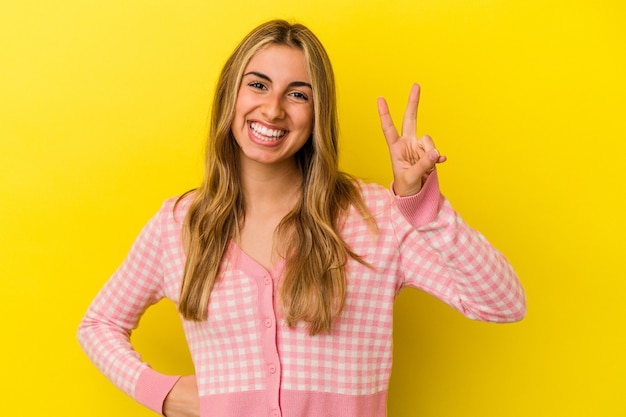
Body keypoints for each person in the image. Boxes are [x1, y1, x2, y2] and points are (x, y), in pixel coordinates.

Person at [78, 19, 526, 417]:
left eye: (297, 94)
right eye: (257, 85)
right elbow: (98, 325)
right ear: (229, 95)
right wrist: (165, 393)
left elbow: (503, 304)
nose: (273, 110)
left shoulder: (377, 218)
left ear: (317, 114)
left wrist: (423, 205)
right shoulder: (178, 225)